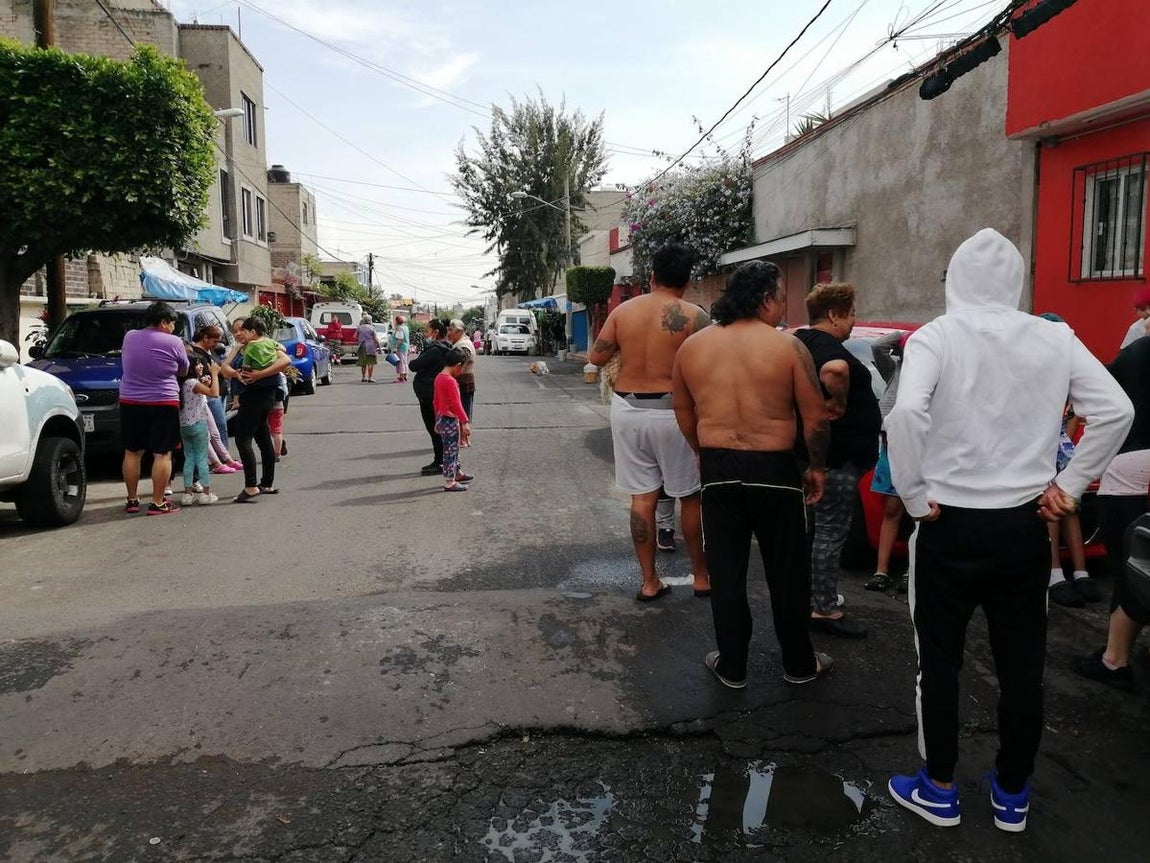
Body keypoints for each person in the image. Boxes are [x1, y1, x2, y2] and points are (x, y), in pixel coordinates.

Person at [884, 228, 1133, 833]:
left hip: (948, 526)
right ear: (1015, 282)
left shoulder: (937, 337)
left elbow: (908, 413)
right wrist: (1069, 487)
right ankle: (1012, 794)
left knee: (937, 664)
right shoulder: (1054, 336)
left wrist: (915, 497)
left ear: (957, 280)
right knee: (1022, 666)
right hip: (1025, 529)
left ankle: (939, 786)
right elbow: (1116, 410)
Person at [673, 259, 834, 688]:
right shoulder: (788, 347)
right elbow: (816, 419)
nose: (783, 307)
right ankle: (799, 664)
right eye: (782, 298)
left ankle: (732, 664)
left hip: (719, 468)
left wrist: (702, 450)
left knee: (726, 571)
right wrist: (816, 468)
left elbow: (683, 411)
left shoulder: (692, 347)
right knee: (787, 571)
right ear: (766, 299)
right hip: (775, 470)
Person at [588, 241, 711, 601]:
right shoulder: (695, 316)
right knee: (689, 496)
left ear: (652, 276)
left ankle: (649, 581)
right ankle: (701, 577)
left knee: (642, 498)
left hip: (628, 410)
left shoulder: (623, 312)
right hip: (676, 412)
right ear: (686, 280)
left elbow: (597, 357)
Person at [795, 283, 881, 638]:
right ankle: (824, 609)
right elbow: (836, 371)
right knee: (831, 533)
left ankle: (815, 595)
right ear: (834, 314)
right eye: (851, 314)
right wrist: (839, 404)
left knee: (817, 531)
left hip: (820, 455)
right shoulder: (830, 348)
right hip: (839, 456)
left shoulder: (801, 342)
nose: (853, 321)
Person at [1074, 333, 1150, 690]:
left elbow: (1105, 405)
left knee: (1131, 567)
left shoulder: (1137, 353)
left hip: (1130, 467)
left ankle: (1115, 660)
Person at [119, 301, 189, 515]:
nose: (173, 328)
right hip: (162, 401)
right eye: (172, 323)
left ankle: (132, 500)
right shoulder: (173, 341)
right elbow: (183, 370)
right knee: (162, 453)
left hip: (130, 400)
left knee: (132, 452)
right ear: (163, 322)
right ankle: (158, 502)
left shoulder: (129, 336)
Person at [219, 317, 292, 503]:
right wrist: (235, 372)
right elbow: (224, 369)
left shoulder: (260, 345)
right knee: (262, 438)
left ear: (252, 331)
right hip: (259, 396)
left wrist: (260, 374)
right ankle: (266, 483)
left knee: (243, 440)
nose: (238, 334)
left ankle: (251, 486)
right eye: (235, 331)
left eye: (241, 330)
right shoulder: (238, 348)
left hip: (257, 396)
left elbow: (285, 359)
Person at [865, 331, 912, 593]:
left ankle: (910, 571)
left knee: (918, 509)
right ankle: (881, 571)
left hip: (919, 444)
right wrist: (905, 337)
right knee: (893, 508)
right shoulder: (894, 369)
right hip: (892, 441)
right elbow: (877, 347)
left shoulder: (935, 371)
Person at [409, 319, 454, 476]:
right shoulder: (445, 347)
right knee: (437, 429)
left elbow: (414, 365)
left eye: (427, 331)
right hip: (434, 393)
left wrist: (423, 351)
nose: (425, 334)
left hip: (430, 394)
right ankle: (443, 460)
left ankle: (439, 461)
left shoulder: (436, 350)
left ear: (436, 332)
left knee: (434, 428)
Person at [178, 354, 220, 506]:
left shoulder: (182, 383)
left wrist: (203, 382)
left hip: (184, 426)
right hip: (198, 424)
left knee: (189, 458)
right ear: (190, 367)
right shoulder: (192, 383)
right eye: (197, 364)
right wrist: (214, 374)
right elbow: (214, 393)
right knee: (202, 458)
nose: (201, 366)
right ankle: (206, 493)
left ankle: (187, 494)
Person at [435, 348, 474, 492]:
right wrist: (465, 422)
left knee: (452, 448)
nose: (462, 371)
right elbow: (456, 404)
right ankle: (450, 481)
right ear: (458, 365)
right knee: (451, 451)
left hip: (442, 418)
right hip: (450, 419)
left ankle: (457, 473)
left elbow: (436, 402)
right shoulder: (450, 381)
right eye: (462, 368)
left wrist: (436, 420)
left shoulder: (439, 377)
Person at [447, 318, 478, 420]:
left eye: (451, 330)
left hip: (463, 384)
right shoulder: (458, 342)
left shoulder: (464, 345)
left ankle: (464, 436)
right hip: (459, 383)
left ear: (459, 331)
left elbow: (458, 362)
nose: (449, 333)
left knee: (463, 416)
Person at [357, 314, 380, 382]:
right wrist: (379, 347)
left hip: (362, 345)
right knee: (370, 362)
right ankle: (370, 378)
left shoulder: (359, 328)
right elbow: (375, 338)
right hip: (370, 346)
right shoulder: (372, 328)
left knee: (363, 363)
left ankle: (363, 377)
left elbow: (355, 336)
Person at [391, 315, 410, 382]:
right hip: (405, 346)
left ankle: (401, 378)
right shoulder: (406, 327)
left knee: (401, 362)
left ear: (397, 321)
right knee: (404, 362)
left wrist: (395, 347)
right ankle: (405, 376)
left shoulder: (399, 328)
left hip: (401, 347)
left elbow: (400, 339)